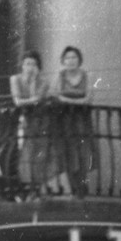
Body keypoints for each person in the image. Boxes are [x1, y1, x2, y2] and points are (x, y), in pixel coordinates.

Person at [52, 45, 92, 197]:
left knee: (82, 153)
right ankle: (73, 188)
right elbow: (55, 95)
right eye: (67, 58)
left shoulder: (86, 75)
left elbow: (88, 98)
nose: (71, 61)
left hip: (82, 119)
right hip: (64, 120)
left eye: (74, 57)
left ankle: (82, 188)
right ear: (63, 60)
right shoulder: (60, 75)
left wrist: (67, 100)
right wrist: (77, 101)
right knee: (68, 153)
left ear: (79, 59)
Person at [10, 51, 49, 194]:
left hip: (40, 121)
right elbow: (17, 102)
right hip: (23, 120)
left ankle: (37, 188)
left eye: (33, 64)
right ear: (22, 65)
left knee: (39, 155)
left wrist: (33, 81)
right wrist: (31, 101)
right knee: (24, 154)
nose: (30, 67)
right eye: (27, 63)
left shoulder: (43, 81)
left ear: (38, 66)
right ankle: (27, 188)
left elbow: (37, 99)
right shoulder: (15, 79)